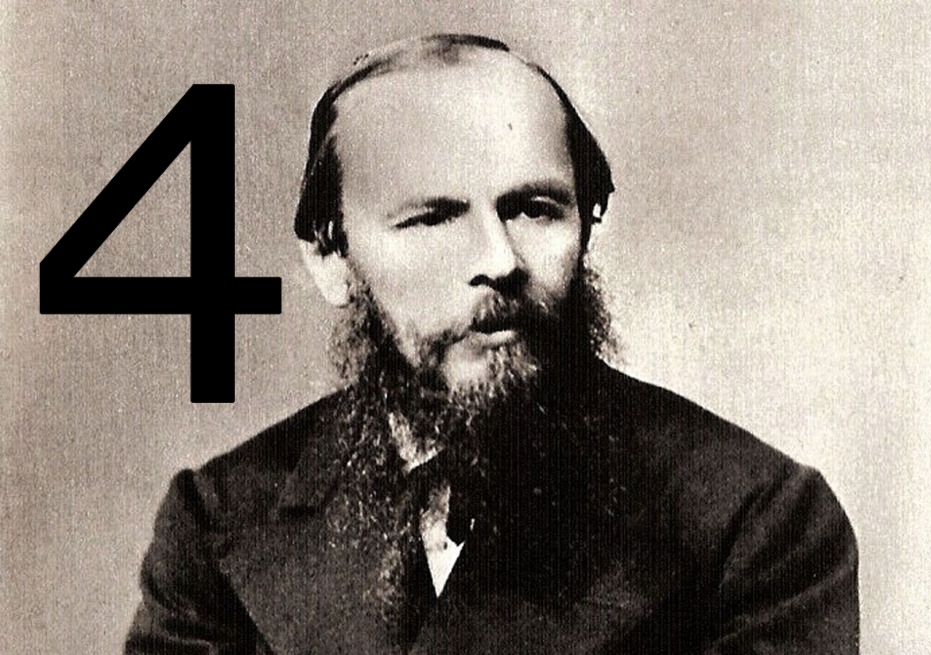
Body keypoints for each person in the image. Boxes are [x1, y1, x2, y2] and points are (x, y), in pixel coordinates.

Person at [124, 34, 859, 654]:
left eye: (535, 209)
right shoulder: (219, 517)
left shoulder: (755, 521)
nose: (499, 259)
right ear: (331, 257)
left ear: (586, 222)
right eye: (431, 218)